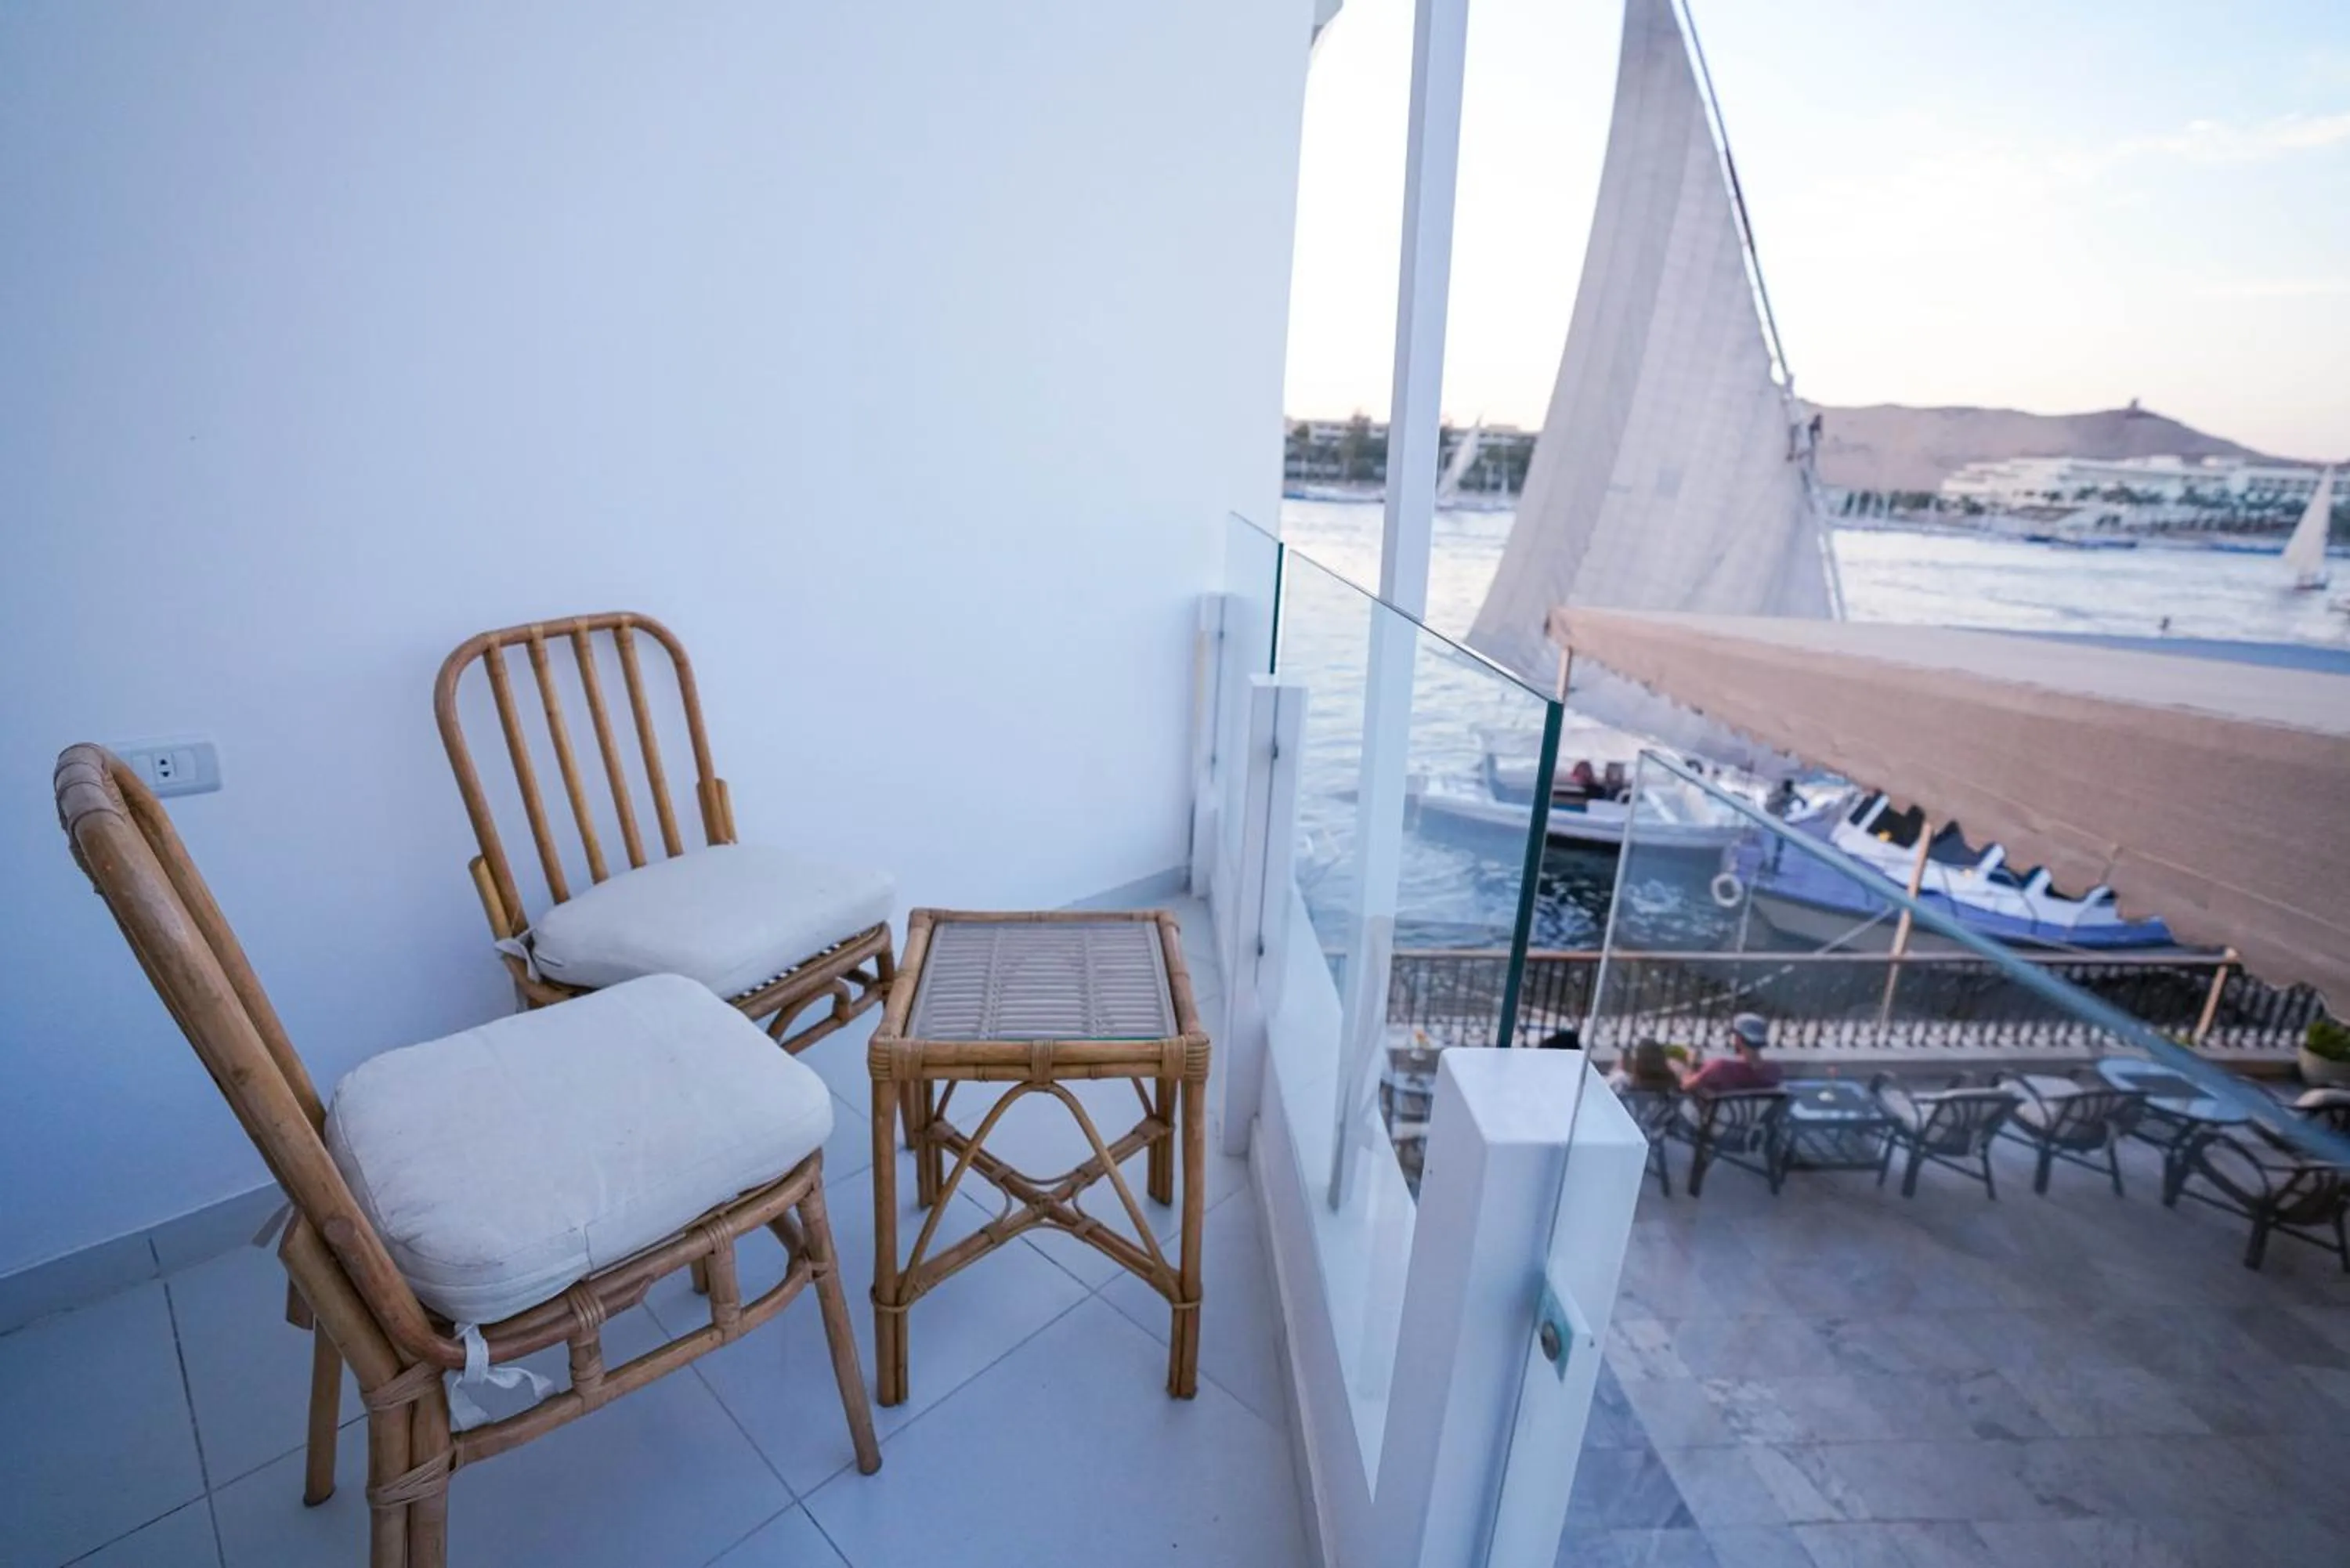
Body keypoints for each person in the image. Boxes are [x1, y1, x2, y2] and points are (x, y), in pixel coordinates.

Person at [1676, 1012, 1782, 1095]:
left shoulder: (1719, 1067)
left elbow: (1686, 1086)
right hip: (1755, 1117)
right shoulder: (1774, 1070)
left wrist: (1690, 1064)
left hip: (1716, 1117)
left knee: (1674, 1063)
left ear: (1738, 1039)